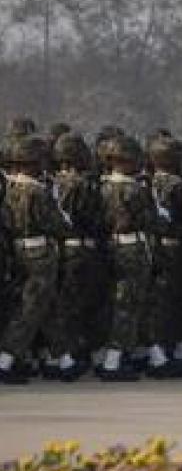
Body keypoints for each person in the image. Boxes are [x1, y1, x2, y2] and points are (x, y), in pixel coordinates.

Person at [0, 136, 68, 384]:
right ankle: (5, 360)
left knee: (46, 305)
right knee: (31, 308)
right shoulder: (37, 191)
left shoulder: (10, 188)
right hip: (40, 252)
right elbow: (55, 224)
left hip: (19, 249)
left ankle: (63, 359)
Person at [43, 132, 104, 380]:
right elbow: (92, 219)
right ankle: (65, 357)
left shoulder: (52, 183)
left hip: (58, 248)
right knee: (75, 305)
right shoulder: (81, 184)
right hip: (79, 248)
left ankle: (56, 356)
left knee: (62, 302)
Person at [97, 135, 159, 381]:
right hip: (133, 248)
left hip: (112, 246)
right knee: (129, 306)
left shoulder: (103, 187)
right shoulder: (135, 190)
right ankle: (113, 362)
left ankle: (151, 356)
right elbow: (150, 220)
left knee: (125, 303)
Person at [144, 135, 182, 378]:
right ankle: (173, 352)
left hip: (154, 246)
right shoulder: (180, 186)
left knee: (159, 301)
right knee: (177, 301)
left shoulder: (147, 183)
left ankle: (160, 350)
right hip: (176, 247)